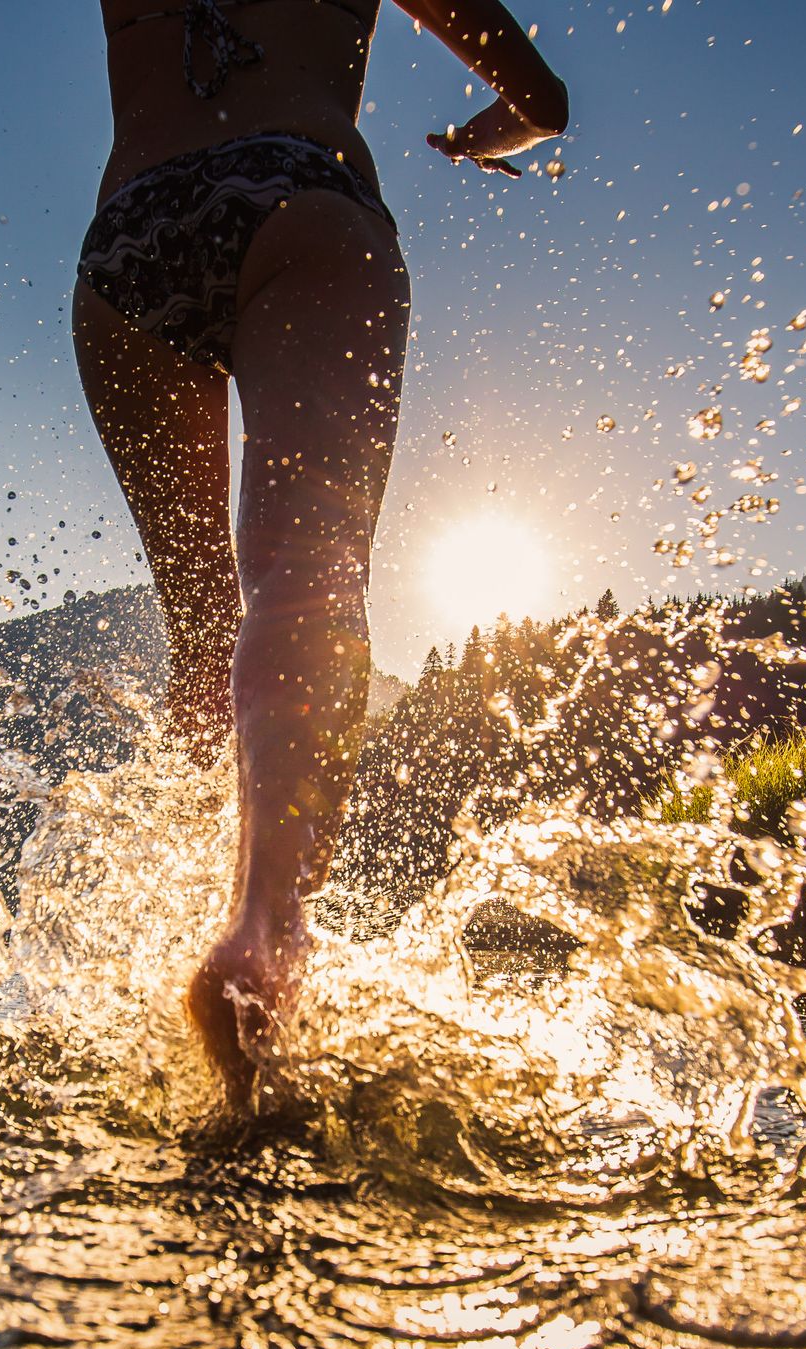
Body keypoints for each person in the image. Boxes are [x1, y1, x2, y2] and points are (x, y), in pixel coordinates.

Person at [75, 0, 569, 1103]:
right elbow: (543, 103)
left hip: (127, 235)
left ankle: (168, 922)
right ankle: (261, 930)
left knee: (202, 640)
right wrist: (474, 139)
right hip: (303, 193)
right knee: (304, 589)